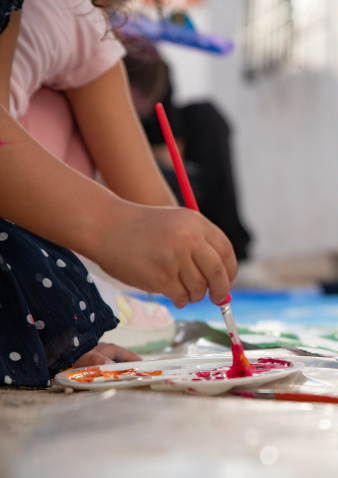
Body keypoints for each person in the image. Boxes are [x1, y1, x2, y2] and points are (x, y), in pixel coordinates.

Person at [0, 0, 237, 387]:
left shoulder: (71, 22)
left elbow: (151, 203)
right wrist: (112, 228)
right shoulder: (74, 20)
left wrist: (181, 241)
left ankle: (52, 312)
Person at [123, 48, 253, 261]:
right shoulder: (104, 58)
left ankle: (230, 245)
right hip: (119, 144)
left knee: (206, 117)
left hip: (156, 151)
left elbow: (168, 149)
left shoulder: (156, 68)